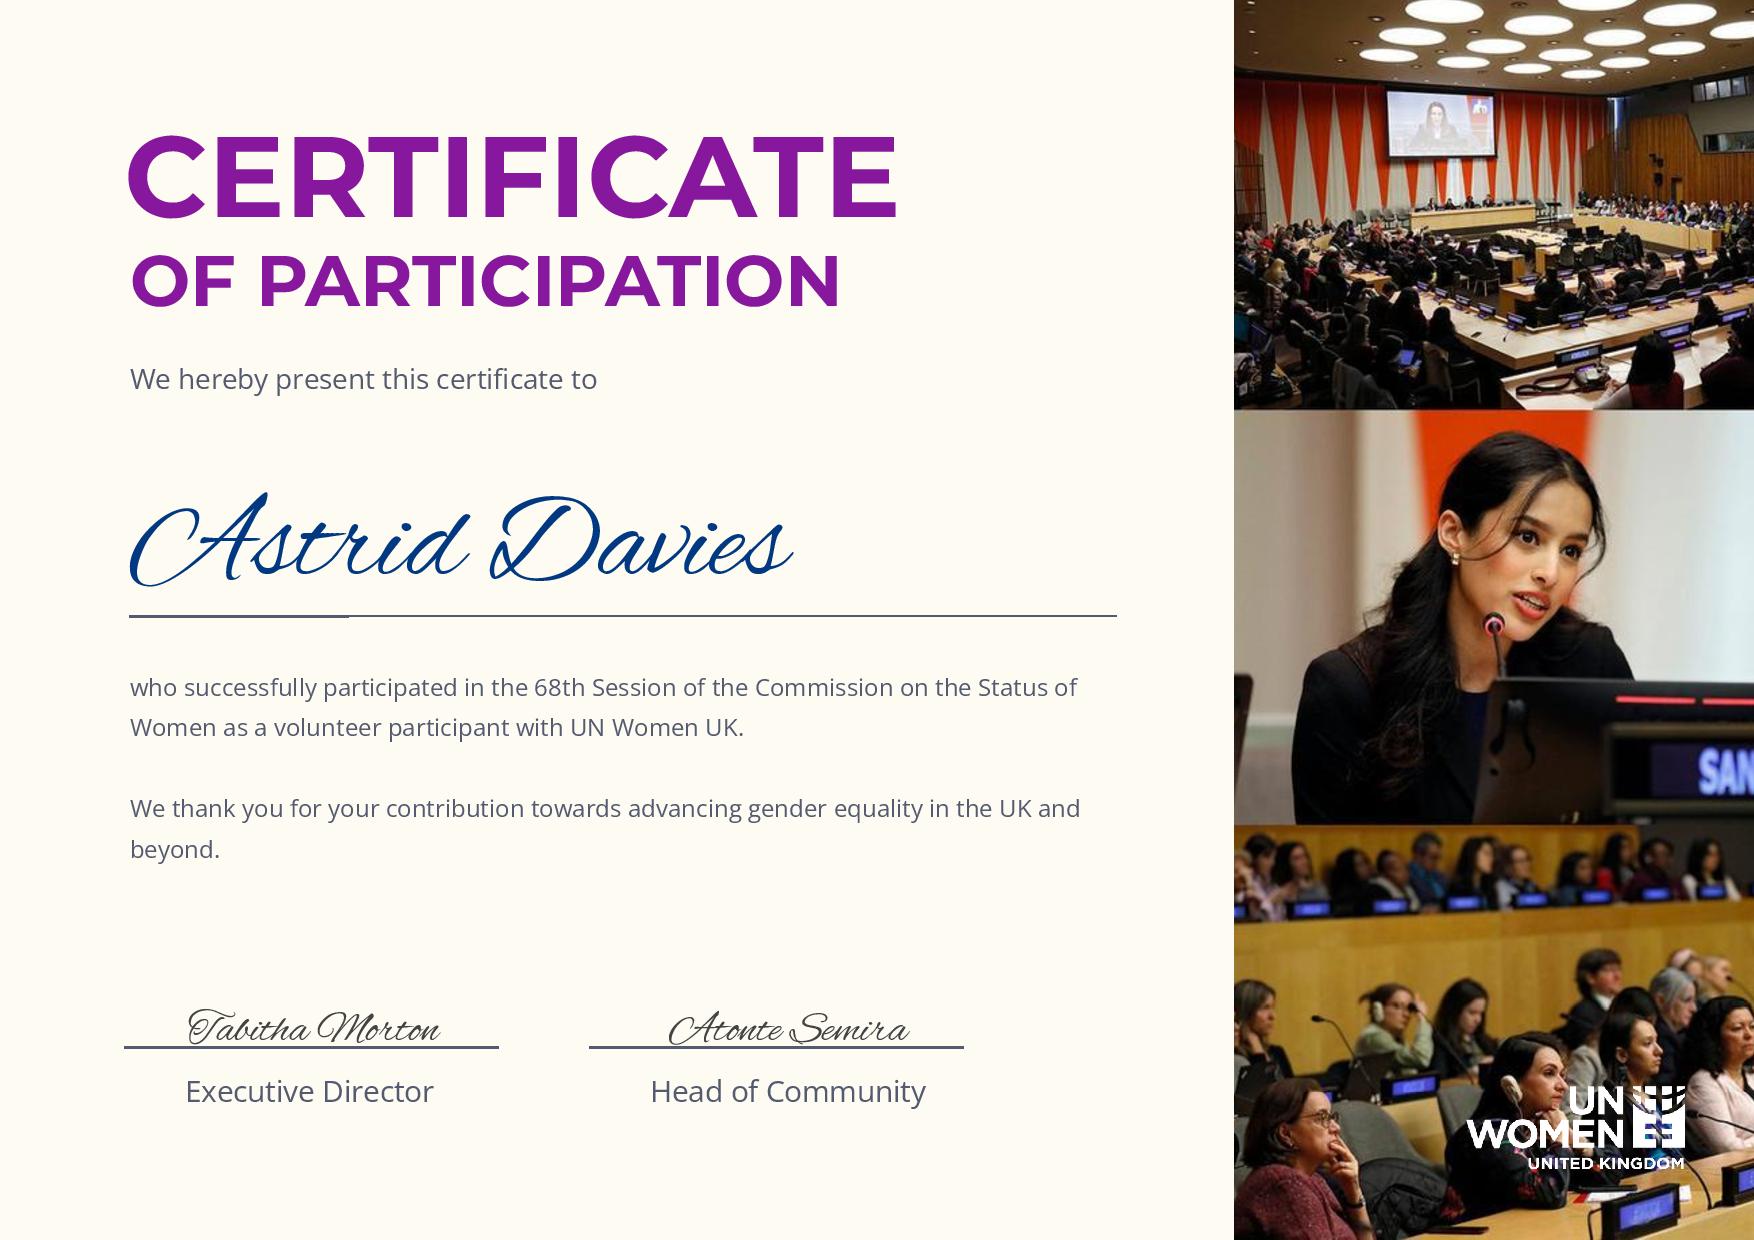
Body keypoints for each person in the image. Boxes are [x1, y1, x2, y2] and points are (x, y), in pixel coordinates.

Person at [1292, 433, 1630, 823]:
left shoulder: (1593, 663)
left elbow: (1639, 830)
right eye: (1527, 537)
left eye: (1570, 551)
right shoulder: (1348, 687)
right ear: (1454, 534)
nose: (1551, 574)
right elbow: (1327, 870)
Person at [1439, 1033, 1574, 1222]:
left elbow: (1608, 1175)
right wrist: (1560, 1142)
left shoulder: (1536, 1125)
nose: (1563, 1086)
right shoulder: (1489, 1134)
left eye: (1563, 1075)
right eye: (1549, 1073)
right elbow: (1551, 1194)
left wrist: (1582, 1146)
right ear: (1512, 1084)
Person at [1235, 1078, 1377, 1237]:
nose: (1336, 1127)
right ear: (1286, 1134)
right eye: (1322, 1118)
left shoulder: (1313, 1179)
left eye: (1331, 1117)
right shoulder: (1283, 1184)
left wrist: (1354, 1193)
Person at [1684, 997, 1754, 1153]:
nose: (1749, 1034)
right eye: (1737, 1028)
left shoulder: (1750, 1073)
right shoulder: (1703, 1083)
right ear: (1715, 1037)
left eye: (1752, 1026)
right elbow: (1727, 1148)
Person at [1356, 983, 1433, 1070]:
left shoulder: (1396, 1038)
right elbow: (1420, 1059)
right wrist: (1422, 1020)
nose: (1406, 1014)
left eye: (1409, 1008)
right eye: (1397, 1006)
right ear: (1378, 1009)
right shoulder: (1373, 1037)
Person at [1596, 334, 1684, 409]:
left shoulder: (1630, 393)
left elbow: (1597, 410)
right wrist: (1623, 386)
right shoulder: (1679, 378)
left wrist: (1610, 389)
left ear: (1639, 360)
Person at [1432, 979, 1497, 1080]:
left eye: (1481, 1013)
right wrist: (1473, 1072)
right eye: (1472, 1013)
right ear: (1455, 1011)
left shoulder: (1482, 1039)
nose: (1478, 1019)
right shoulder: (1440, 1042)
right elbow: (1440, 1082)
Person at [1237, 979, 1295, 1080]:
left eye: (1273, 1008)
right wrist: (1258, 1053)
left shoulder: (1277, 1052)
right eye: (1265, 1008)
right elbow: (1262, 1090)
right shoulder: (1235, 1057)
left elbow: (1291, 1092)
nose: (1273, 1016)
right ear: (1245, 1012)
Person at [1649, 967, 1698, 1086]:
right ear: (1661, 1000)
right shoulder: (1659, 1039)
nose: (1694, 1008)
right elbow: (1666, 1089)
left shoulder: (1682, 1035)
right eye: (1687, 1000)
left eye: (1694, 1001)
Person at [1623, 837, 1686, 902]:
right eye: (1664, 855)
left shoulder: (1673, 882)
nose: (1669, 860)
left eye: (1670, 855)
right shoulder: (1638, 881)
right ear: (1649, 857)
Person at [1449, 836, 1501, 909]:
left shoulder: (1490, 885)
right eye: (1487, 854)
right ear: (1472, 855)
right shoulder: (1456, 887)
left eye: (1492, 855)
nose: (1492, 859)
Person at [1329, 848, 1376, 917]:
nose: (1368, 867)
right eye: (1361, 864)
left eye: (1367, 862)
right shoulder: (1344, 897)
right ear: (1349, 869)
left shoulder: (1375, 887)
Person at [1493, 842, 1542, 907]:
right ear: (1508, 866)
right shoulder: (1501, 887)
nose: (1526, 864)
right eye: (1521, 861)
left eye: (1527, 859)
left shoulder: (1531, 886)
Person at [1407, 832, 1447, 905]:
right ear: (1418, 855)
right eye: (1433, 857)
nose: (1437, 862)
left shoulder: (1440, 876)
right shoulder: (1407, 876)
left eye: (1439, 857)